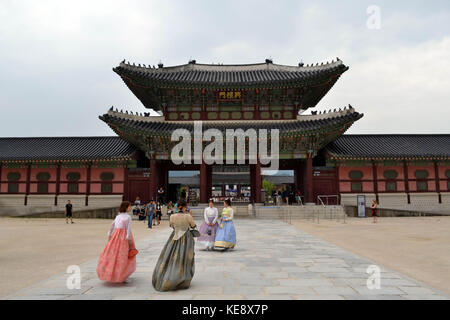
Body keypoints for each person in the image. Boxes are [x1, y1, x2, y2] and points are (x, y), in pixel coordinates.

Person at [152, 200, 197, 291]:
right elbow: (193, 226)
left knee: (170, 257)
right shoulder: (188, 216)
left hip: (175, 236)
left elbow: (172, 226)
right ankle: (183, 278)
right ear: (185, 207)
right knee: (184, 258)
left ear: (177, 207)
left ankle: (167, 276)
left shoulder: (172, 216)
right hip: (186, 238)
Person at [96, 201, 137, 283]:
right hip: (124, 237)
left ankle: (111, 273)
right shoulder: (128, 217)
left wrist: (110, 236)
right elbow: (128, 230)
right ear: (126, 207)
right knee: (123, 256)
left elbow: (112, 226)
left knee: (113, 255)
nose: (130, 208)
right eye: (129, 206)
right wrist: (129, 241)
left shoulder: (118, 216)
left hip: (115, 236)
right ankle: (121, 274)